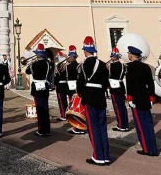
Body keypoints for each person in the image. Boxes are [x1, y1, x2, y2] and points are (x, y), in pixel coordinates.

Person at [77, 36, 110, 166]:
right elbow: (106, 83)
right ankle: (106, 156)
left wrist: (81, 93)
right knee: (102, 127)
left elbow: (80, 84)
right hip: (100, 98)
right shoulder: (102, 64)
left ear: (85, 51)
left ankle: (98, 156)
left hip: (89, 98)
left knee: (93, 127)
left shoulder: (83, 65)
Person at [125, 45, 158, 157]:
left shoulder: (130, 67)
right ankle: (153, 148)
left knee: (140, 125)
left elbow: (129, 84)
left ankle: (146, 148)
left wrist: (129, 98)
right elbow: (150, 83)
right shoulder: (146, 67)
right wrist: (152, 97)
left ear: (131, 55)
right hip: (145, 97)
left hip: (136, 98)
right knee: (148, 124)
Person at [26, 43, 51, 137]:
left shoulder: (33, 64)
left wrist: (31, 62)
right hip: (44, 86)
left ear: (38, 54)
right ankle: (47, 130)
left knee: (40, 109)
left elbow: (27, 71)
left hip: (36, 87)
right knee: (45, 108)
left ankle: (41, 130)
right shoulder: (48, 64)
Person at [108, 47, 129, 132]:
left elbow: (108, 75)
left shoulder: (111, 66)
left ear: (114, 57)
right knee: (122, 107)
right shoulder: (122, 65)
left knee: (117, 107)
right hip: (121, 86)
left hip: (114, 87)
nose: (111, 58)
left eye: (112, 56)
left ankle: (121, 125)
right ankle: (125, 124)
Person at [54, 51, 69, 121]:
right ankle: (66, 113)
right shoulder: (66, 67)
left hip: (59, 85)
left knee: (61, 101)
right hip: (66, 85)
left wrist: (55, 84)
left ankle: (63, 115)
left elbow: (56, 77)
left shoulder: (58, 68)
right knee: (65, 101)